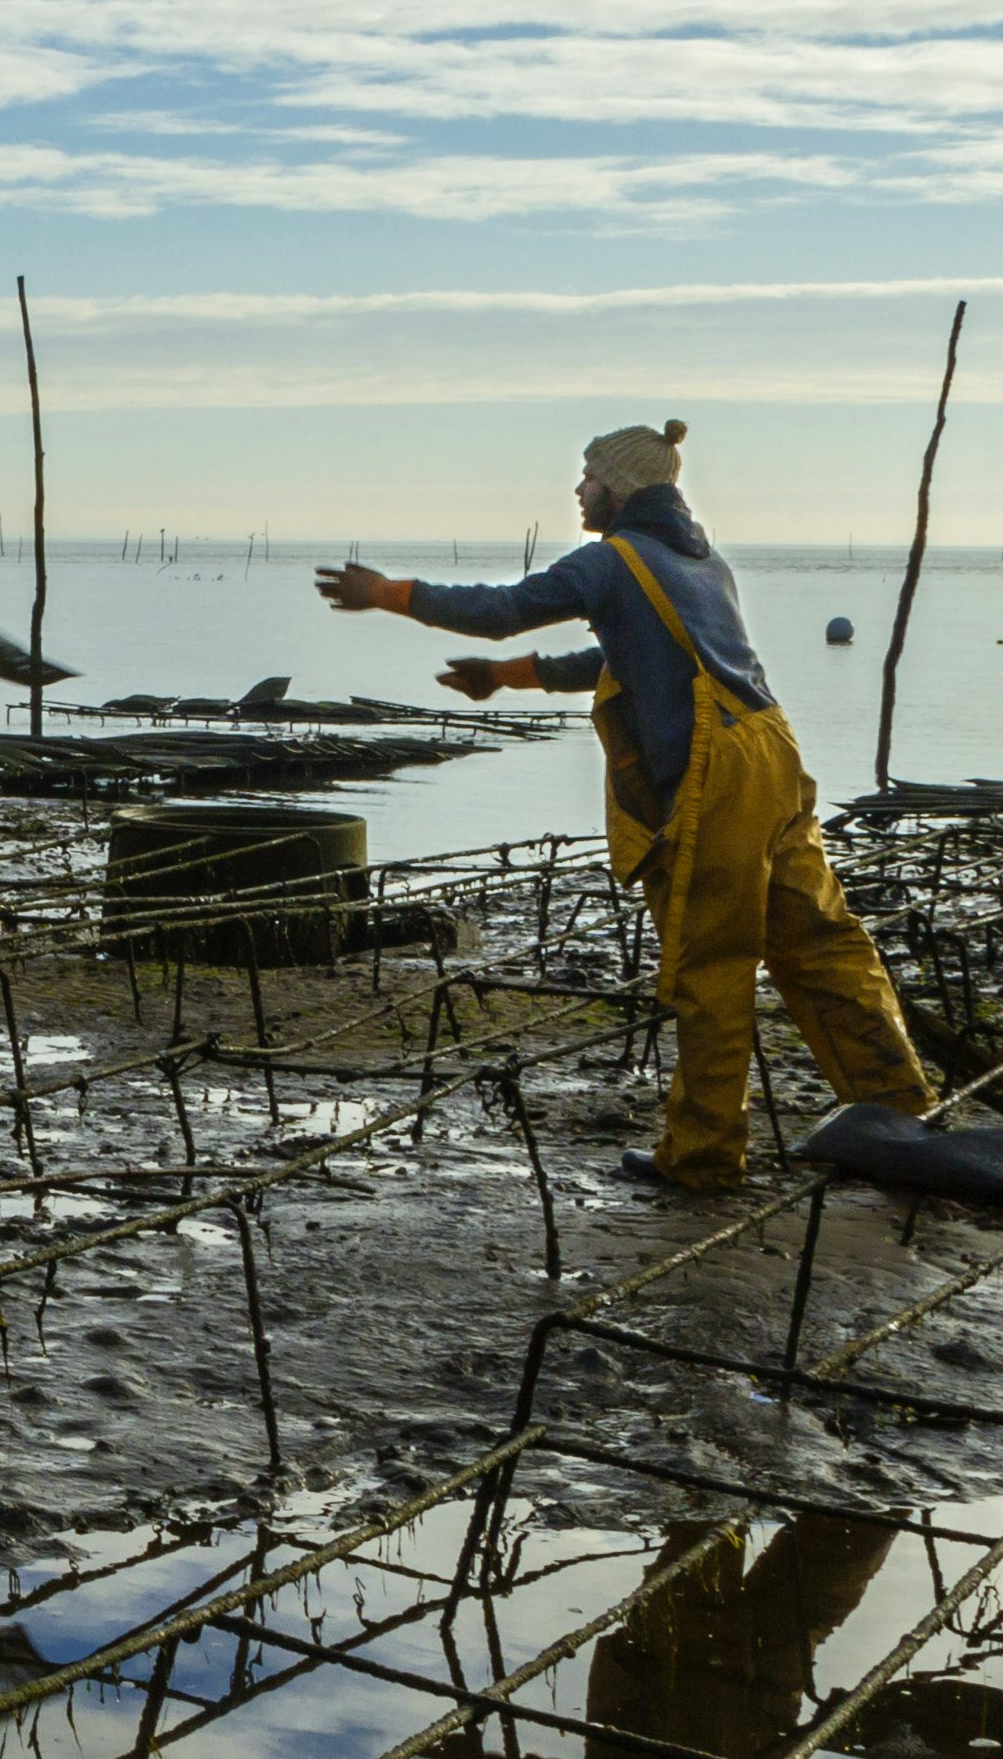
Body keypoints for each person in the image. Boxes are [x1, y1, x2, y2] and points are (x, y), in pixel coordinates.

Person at [308, 419, 936, 1189]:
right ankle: (902, 1115)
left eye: (589, 476)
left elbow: (504, 605)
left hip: (720, 772)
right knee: (823, 945)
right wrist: (505, 679)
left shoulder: (615, 560)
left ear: (624, 485)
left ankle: (703, 1157)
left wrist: (390, 594)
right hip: (775, 755)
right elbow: (618, 659)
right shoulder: (701, 563)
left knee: (709, 963)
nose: (578, 490)